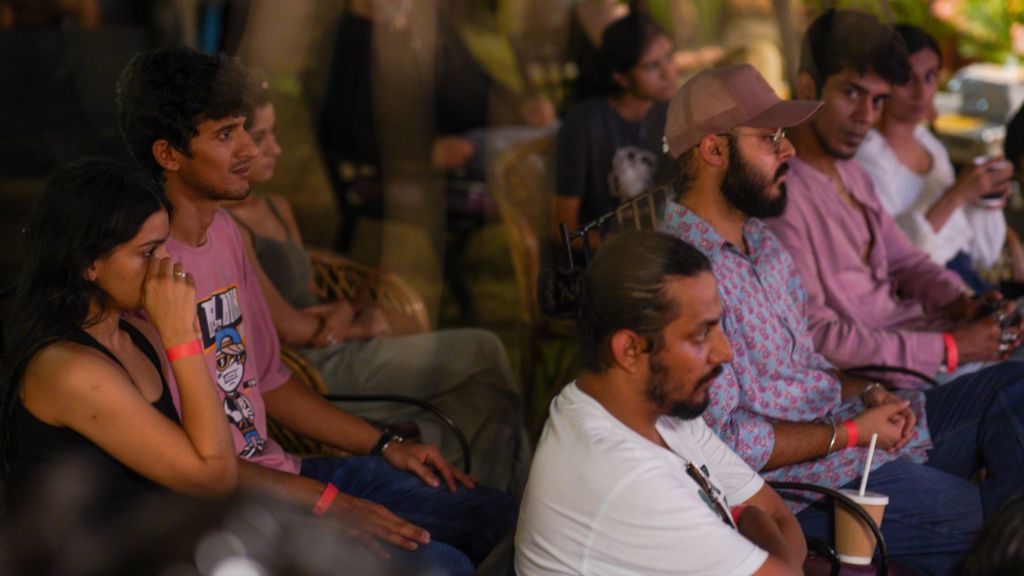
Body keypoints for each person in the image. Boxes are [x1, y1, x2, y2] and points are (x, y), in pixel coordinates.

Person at [116, 45, 514, 574]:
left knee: (502, 517)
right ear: (168, 154)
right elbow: (188, 465)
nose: (248, 149)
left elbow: (270, 382)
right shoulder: (145, 271)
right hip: (230, 507)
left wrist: (385, 443)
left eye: (244, 129)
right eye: (226, 134)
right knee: (442, 566)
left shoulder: (227, 233)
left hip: (287, 472)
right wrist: (332, 504)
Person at [658, 59, 1024, 576]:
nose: (788, 149)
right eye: (769, 138)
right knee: (1001, 528)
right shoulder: (683, 275)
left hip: (858, 436)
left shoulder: (761, 240)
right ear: (715, 150)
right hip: (811, 489)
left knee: (1012, 387)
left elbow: (809, 364)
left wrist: (867, 393)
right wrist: (850, 432)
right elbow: (725, 442)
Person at [225, 80, 530, 495]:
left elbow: (314, 293)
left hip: (335, 339)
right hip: (311, 366)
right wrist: (361, 326)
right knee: (485, 349)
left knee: (483, 400)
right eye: (260, 137)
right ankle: (496, 497)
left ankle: (477, 497)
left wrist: (347, 311)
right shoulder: (231, 229)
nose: (275, 148)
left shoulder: (278, 207)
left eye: (273, 134)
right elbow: (289, 328)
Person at [515, 230, 807, 576]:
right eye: (701, 334)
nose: (725, 351)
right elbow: (779, 544)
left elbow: (779, 515)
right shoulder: (626, 477)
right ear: (630, 350)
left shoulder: (660, 411)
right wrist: (752, 519)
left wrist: (759, 523)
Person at [766, 9, 1023, 380]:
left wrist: (963, 303)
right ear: (807, 88)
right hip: (888, 381)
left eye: (877, 100)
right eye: (851, 92)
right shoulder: (780, 195)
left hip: (927, 337)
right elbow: (817, 337)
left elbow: (905, 260)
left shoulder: (848, 170)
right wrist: (949, 348)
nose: (865, 116)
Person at [0, 158, 236, 519]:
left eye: (164, 247)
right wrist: (181, 338)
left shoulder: (139, 335)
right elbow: (215, 478)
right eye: (148, 252)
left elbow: (204, 449)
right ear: (87, 263)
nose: (167, 264)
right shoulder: (67, 370)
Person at [856, 24, 1019, 294]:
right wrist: (957, 194)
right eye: (907, 79)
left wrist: (983, 197)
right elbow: (891, 257)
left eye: (930, 77)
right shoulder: (868, 156)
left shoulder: (930, 145)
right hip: (920, 290)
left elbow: (981, 250)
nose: (921, 90)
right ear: (883, 83)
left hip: (963, 274)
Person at [553, 12, 676, 243]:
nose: (668, 73)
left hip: (662, 246)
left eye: (669, 57)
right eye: (651, 65)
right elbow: (564, 232)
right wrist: (631, 247)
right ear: (621, 77)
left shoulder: (673, 114)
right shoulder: (584, 125)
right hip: (608, 254)